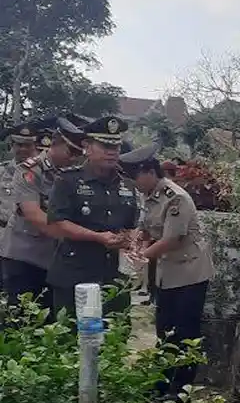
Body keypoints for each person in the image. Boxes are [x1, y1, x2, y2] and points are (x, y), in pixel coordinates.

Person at [123, 143, 214, 399]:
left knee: (186, 331)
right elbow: (145, 227)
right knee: (164, 329)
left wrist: (141, 256)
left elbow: (172, 239)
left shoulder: (176, 198)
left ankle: (181, 389)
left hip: (189, 272)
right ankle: (162, 383)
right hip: (167, 273)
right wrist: (134, 243)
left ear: (149, 172)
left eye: (135, 177)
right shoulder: (150, 196)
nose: (134, 184)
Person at [45, 116, 140, 317]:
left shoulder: (127, 185)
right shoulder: (68, 180)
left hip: (112, 277)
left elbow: (132, 225)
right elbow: (57, 223)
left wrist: (128, 240)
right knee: (70, 340)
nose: (111, 151)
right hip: (75, 273)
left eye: (116, 146)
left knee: (115, 339)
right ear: (87, 146)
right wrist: (97, 237)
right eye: (105, 145)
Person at [0, 117, 86, 312]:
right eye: (70, 151)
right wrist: (77, 237)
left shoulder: (74, 173)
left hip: (56, 260)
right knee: (21, 319)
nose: (74, 157)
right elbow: (34, 215)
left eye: (78, 153)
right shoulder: (29, 171)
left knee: (52, 319)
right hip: (24, 257)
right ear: (55, 145)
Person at [0, 121, 41, 300]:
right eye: (19, 144)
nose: (23, 149)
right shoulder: (2, 172)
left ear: (35, 146)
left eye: (28, 145)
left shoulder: (42, 173)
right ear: (12, 145)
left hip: (29, 242)